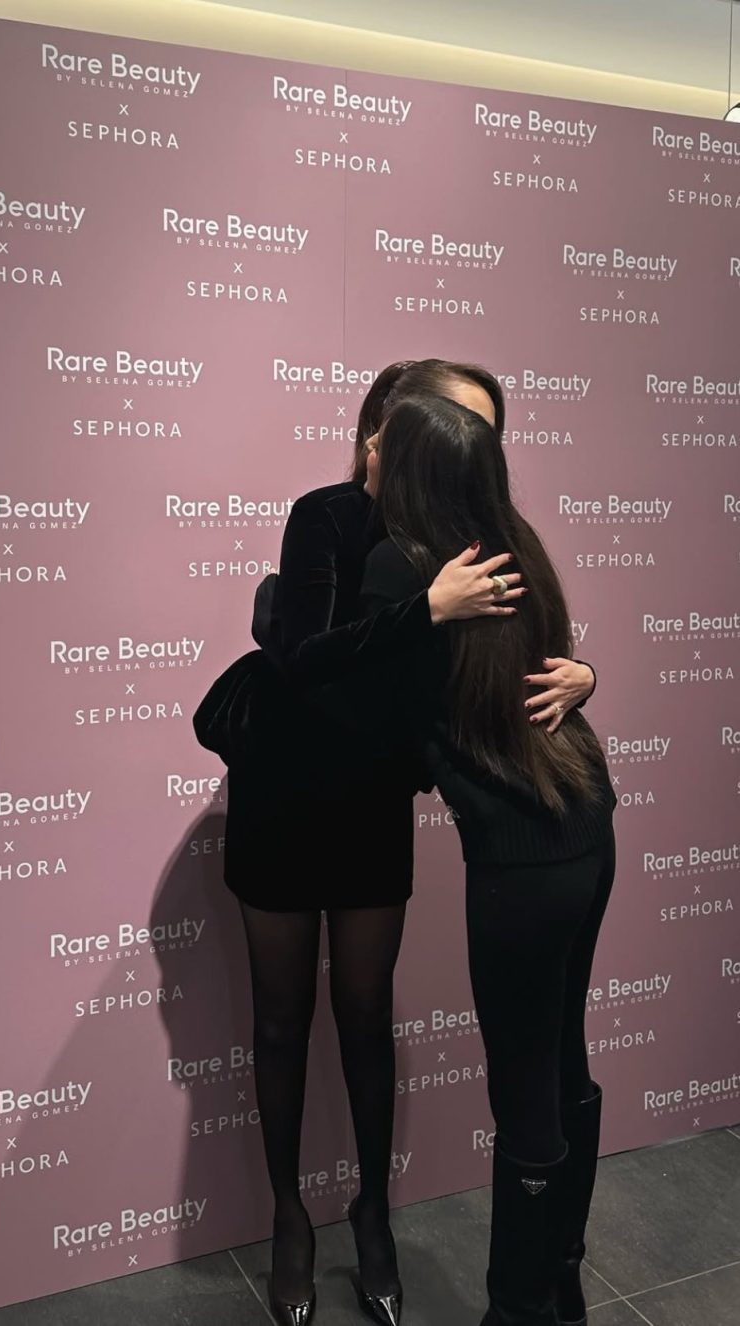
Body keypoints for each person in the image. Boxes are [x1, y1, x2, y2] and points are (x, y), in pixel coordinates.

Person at [209, 360, 597, 1326]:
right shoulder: (330, 519)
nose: (469, 450)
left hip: (372, 810)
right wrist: (422, 612)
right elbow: (305, 660)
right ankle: (290, 1221)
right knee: (281, 1022)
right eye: (451, 427)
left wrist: (582, 675)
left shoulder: (476, 542)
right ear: (386, 429)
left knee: (366, 1020)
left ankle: (372, 1216)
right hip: (284, 802)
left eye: (485, 435)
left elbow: (504, 679)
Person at [360, 393, 617, 1326]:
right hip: (585, 828)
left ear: (412, 469)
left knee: (524, 1086)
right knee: (563, 1062)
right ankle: (560, 1282)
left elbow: (367, 707)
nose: (368, 448)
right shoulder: (518, 544)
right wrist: (588, 676)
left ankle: (517, 1309)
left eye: (383, 441)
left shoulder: (399, 569)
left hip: (522, 861)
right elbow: (543, 677)